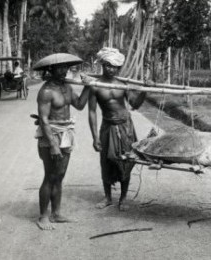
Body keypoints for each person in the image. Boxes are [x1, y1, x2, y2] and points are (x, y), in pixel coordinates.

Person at [88, 47, 147, 211]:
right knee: (106, 162)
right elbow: (92, 112)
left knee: (126, 161)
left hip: (126, 127)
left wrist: (144, 91)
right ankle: (107, 197)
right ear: (102, 65)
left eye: (114, 66)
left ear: (118, 68)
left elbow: (134, 105)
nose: (111, 69)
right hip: (108, 126)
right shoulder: (95, 86)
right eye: (108, 65)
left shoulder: (123, 84)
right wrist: (95, 137)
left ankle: (123, 198)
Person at [34, 60, 91, 230]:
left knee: (59, 176)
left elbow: (80, 105)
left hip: (66, 133)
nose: (63, 71)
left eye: (65, 67)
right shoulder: (46, 91)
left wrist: (88, 87)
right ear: (51, 69)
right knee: (49, 176)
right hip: (50, 134)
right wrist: (53, 145)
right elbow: (43, 120)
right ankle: (43, 216)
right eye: (59, 67)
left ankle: (56, 213)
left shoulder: (66, 87)